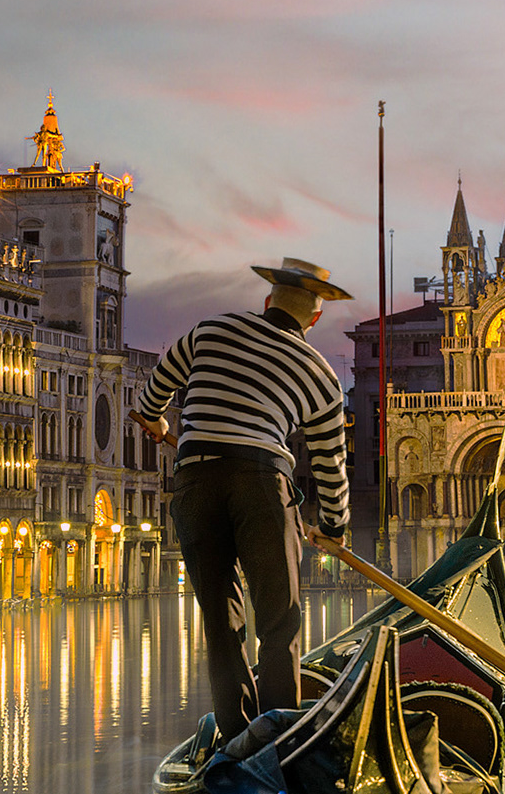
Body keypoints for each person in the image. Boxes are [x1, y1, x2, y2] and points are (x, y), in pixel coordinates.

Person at [138, 255, 353, 735]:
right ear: (315, 319)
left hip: (194, 479)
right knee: (279, 623)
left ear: (267, 299)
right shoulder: (321, 377)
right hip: (261, 482)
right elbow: (330, 465)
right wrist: (333, 528)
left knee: (221, 623)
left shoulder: (210, 330)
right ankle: (279, 737)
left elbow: (152, 395)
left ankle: (237, 738)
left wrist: (156, 422)